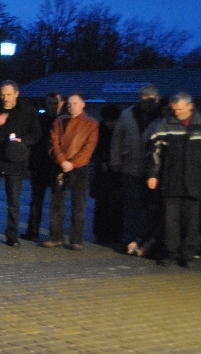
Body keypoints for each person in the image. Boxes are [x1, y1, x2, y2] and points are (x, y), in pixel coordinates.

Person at [148, 93, 201, 267]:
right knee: (170, 220)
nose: (176, 112)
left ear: (189, 106)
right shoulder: (164, 125)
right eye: (174, 109)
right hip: (170, 180)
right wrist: (153, 174)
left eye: (179, 109)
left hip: (196, 180)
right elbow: (155, 152)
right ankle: (171, 253)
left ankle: (188, 255)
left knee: (192, 221)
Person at [0, 80, 41, 246]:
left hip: (15, 162)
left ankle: (12, 235)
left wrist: (23, 141)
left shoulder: (27, 111)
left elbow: (36, 134)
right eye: (2, 95)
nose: (5, 98)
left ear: (16, 94)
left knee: (13, 202)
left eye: (9, 94)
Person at [41, 93, 98, 250]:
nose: (71, 106)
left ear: (83, 104)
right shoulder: (59, 121)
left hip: (79, 167)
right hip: (60, 165)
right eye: (69, 104)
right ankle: (55, 236)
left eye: (75, 103)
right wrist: (62, 160)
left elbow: (88, 148)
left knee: (78, 204)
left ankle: (76, 239)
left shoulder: (90, 123)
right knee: (56, 203)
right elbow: (53, 142)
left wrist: (72, 163)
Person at [110, 85, 162, 251]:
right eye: (144, 101)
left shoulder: (163, 116)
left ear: (157, 99)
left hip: (153, 170)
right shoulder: (128, 114)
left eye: (150, 101)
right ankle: (129, 239)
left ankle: (147, 240)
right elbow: (117, 137)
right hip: (130, 166)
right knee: (131, 206)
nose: (147, 104)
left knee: (151, 207)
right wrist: (115, 159)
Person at [22, 91, 64, 242]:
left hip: (56, 165)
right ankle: (32, 231)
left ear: (61, 104)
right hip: (39, 165)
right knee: (36, 202)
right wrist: (29, 165)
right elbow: (33, 145)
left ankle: (55, 234)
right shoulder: (39, 120)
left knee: (56, 203)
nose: (52, 106)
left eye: (55, 103)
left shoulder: (64, 120)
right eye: (49, 103)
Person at [90, 104, 123, 245]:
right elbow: (94, 149)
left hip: (116, 172)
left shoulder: (119, 129)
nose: (110, 124)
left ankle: (114, 234)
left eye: (112, 121)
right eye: (107, 121)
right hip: (103, 173)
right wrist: (101, 162)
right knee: (102, 205)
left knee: (116, 205)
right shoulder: (99, 129)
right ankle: (101, 234)